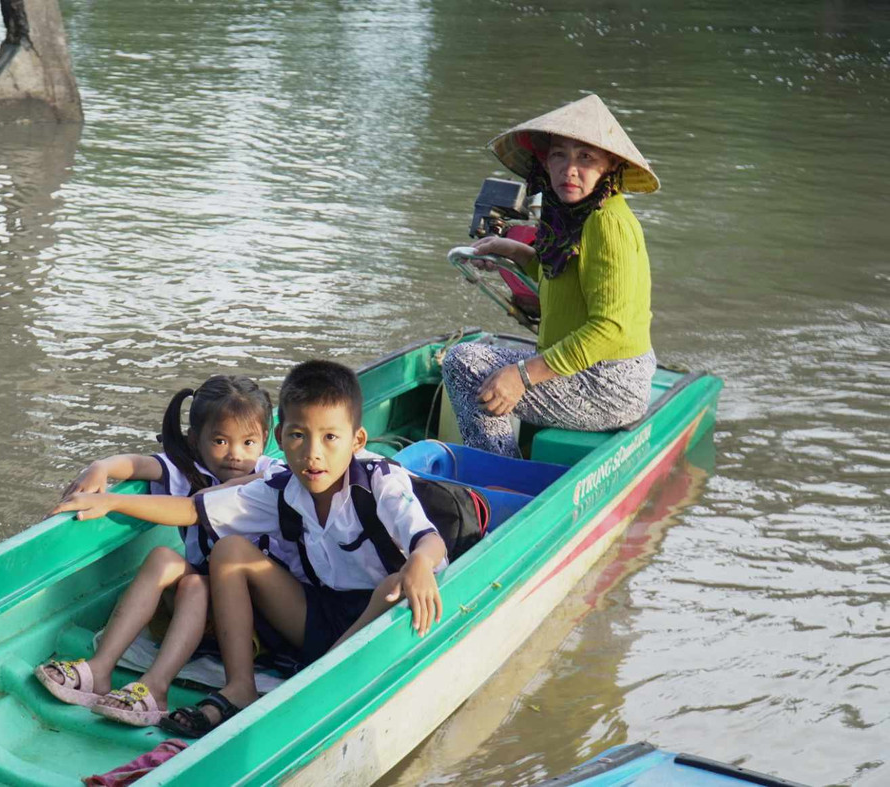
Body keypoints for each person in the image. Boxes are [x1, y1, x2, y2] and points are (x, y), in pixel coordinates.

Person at [53, 360, 448, 737]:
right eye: (298, 435)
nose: (313, 453)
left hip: (375, 615)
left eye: (330, 438)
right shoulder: (281, 488)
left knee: (396, 584)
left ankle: (321, 681)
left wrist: (418, 563)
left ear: (357, 440)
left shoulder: (380, 479)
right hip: (316, 614)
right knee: (230, 551)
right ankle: (239, 687)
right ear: (279, 439)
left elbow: (428, 540)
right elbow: (193, 509)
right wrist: (113, 501)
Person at [35, 375, 280, 727]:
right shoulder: (193, 471)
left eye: (248, 442)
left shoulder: (269, 477)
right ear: (196, 441)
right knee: (163, 559)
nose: (235, 454)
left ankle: (156, 687)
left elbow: (195, 507)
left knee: (195, 586)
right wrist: (99, 468)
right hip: (201, 607)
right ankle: (99, 669)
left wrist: (112, 502)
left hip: (252, 618)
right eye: (220, 440)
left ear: (265, 441)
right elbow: (136, 465)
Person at [443, 94, 660, 458]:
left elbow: (610, 328)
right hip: (586, 367)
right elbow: (562, 280)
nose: (569, 169)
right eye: (559, 154)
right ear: (545, 161)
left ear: (609, 165)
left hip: (610, 382)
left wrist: (522, 376)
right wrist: (510, 252)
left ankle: (500, 472)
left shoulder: (608, 223)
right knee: (472, 360)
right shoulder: (571, 214)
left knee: (466, 365)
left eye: (586, 157)